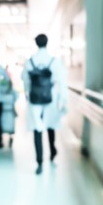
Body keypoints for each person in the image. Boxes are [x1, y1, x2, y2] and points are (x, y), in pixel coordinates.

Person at [22, 34, 67, 174]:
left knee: (37, 127)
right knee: (50, 125)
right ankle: (52, 152)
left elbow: (25, 81)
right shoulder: (54, 61)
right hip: (51, 97)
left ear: (36, 43)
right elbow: (61, 81)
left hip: (35, 98)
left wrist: (28, 94)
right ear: (47, 43)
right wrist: (62, 100)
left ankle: (39, 161)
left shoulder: (30, 62)